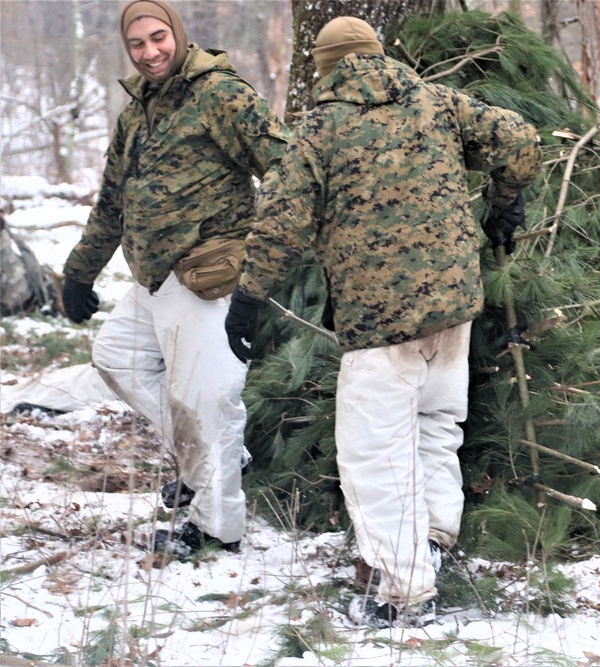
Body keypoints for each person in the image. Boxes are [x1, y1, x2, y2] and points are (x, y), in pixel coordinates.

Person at [225, 16, 541, 627]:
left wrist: (249, 298)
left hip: (381, 322)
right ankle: (434, 540)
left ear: (324, 69)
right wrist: (505, 204)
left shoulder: (318, 128)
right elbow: (522, 141)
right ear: (379, 56)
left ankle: (401, 589)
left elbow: (282, 220)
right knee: (434, 426)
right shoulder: (438, 103)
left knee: (374, 456)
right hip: (454, 309)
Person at [60, 0, 288, 560]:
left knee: (204, 401)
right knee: (116, 355)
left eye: (158, 37)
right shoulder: (138, 109)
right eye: (137, 44)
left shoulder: (222, 96)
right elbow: (113, 199)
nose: (149, 52)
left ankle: (217, 527)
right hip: (154, 278)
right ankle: (214, 461)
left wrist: (259, 260)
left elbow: (286, 170)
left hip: (208, 276)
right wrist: (79, 271)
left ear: (178, 35)